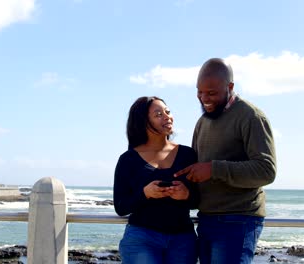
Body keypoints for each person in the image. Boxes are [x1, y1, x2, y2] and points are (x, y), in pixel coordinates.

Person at [174, 58, 277, 264]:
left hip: (238, 220)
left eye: (211, 93)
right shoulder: (202, 122)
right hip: (206, 218)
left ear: (230, 87)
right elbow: (198, 169)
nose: (204, 99)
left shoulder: (251, 116)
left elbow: (266, 170)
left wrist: (214, 169)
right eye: (199, 92)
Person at [113, 96, 198, 264]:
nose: (167, 117)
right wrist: (145, 193)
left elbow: (200, 200)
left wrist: (186, 194)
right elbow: (121, 206)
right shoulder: (128, 159)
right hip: (141, 238)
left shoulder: (188, 154)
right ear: (143, 121)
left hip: (183, 239)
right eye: (158, 114)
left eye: (167, 111)